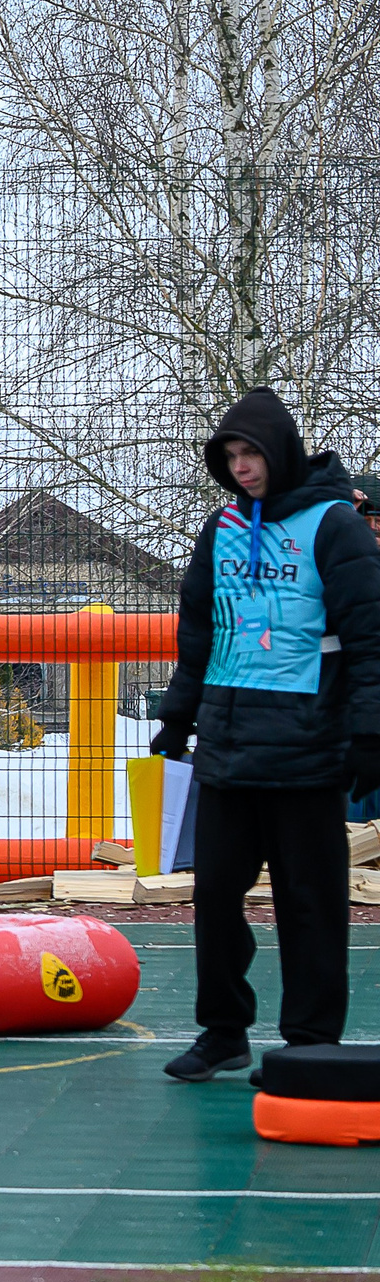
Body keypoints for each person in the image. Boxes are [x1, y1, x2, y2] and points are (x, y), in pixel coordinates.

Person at [152, 388, 380, 1080]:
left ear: (280, 451)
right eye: (230, 456)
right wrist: (178, 716)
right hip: (227, 748)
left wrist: (369, 734)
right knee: (215, 897)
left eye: (251, 453)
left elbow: (371, 640)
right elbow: (199, 631)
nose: (241, 467)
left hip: (310, 753)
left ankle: (310, 1037)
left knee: (309, 904)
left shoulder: (335, 526)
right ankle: (223, 1030)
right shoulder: (220, 527)